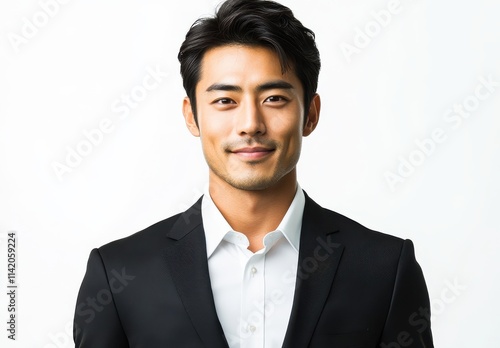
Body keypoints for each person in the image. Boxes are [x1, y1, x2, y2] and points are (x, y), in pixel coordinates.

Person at [73, 0, 434, 347]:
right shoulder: (119, 275)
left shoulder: (385, 269)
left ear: (310, 113)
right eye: (225, 101)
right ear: (191, 115)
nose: (250, 124)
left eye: (274, 98)